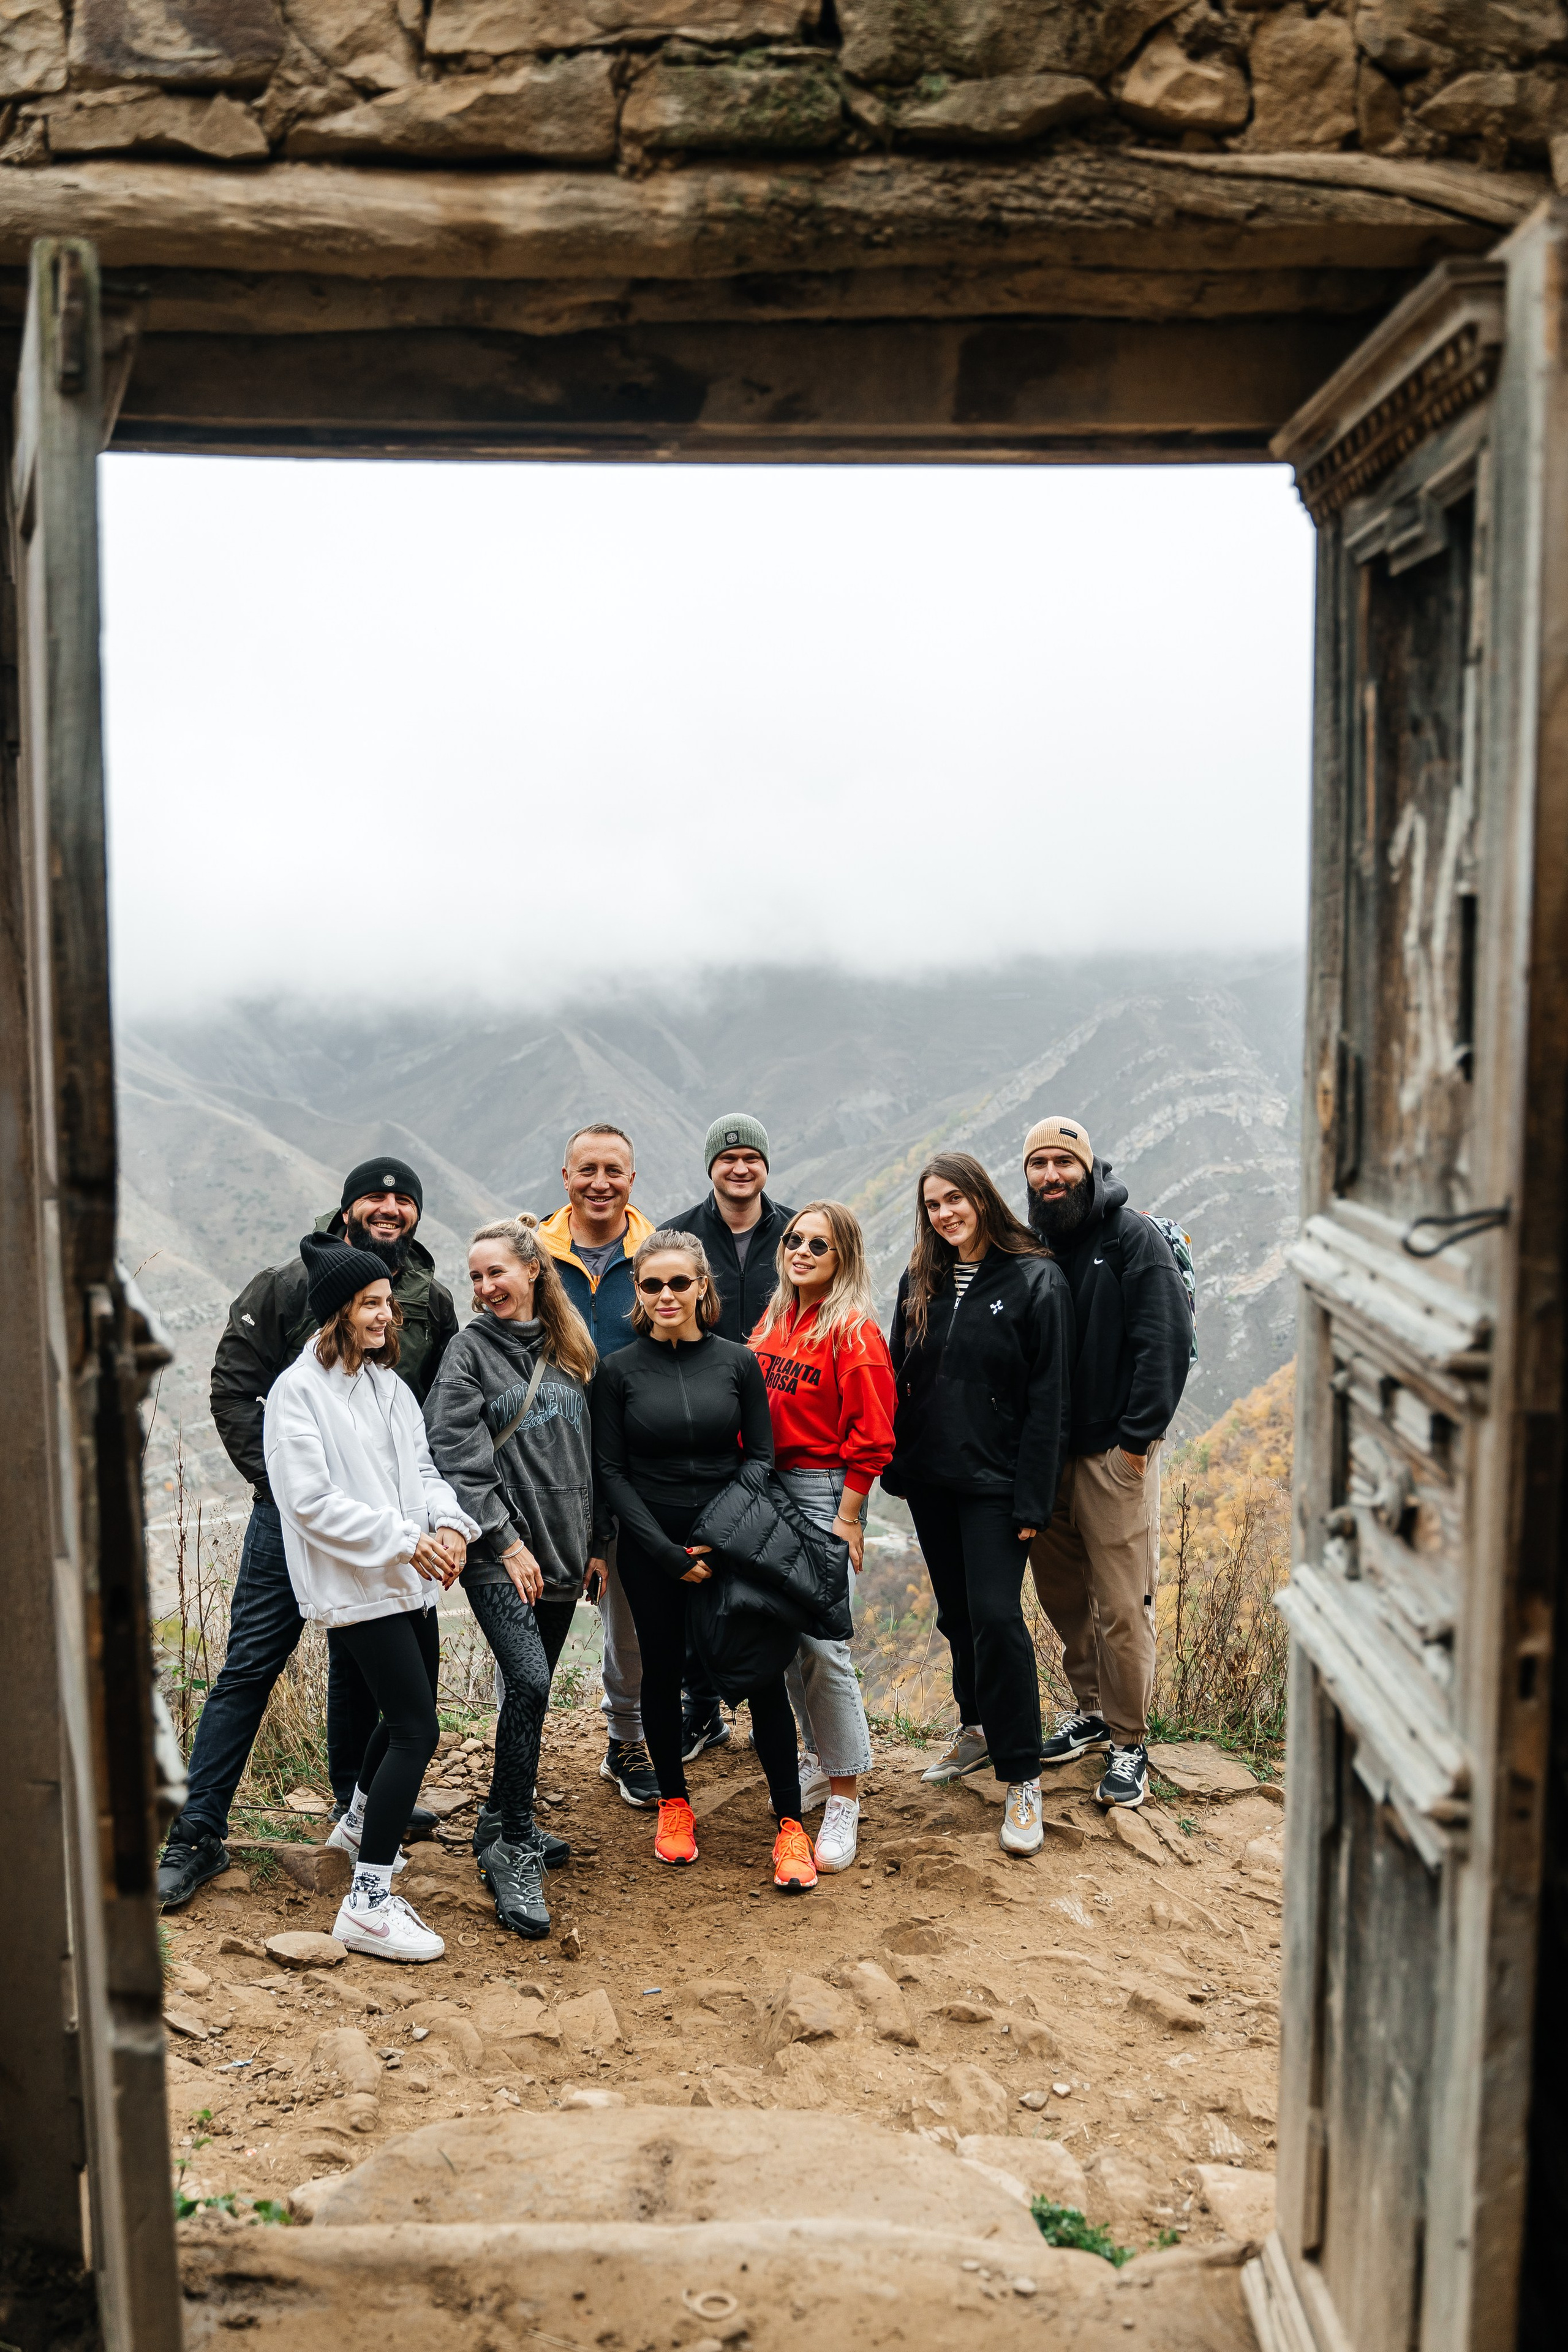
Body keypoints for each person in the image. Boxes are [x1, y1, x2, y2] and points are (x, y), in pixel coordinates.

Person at [158, 1156, 460, 1909]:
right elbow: (233, 1388)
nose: (389, 1206)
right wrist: (281, 1489)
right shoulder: (287, 1284)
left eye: (403, 1198)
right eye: (374, 1195)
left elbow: (433, 1412)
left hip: (388, 1531)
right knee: (251, 1667)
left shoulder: (428, 1297)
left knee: (364, 1674)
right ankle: (196, 1833)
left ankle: (358, 1809)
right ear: (348, 1205)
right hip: (288, 1519)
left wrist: (438, 1518)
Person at [263, 1232, 480, 1964]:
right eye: (373, 1304)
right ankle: (368, 1901)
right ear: (337, 1313)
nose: (390, 1316)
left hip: (408, 1580)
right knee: (418, 1731)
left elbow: (422, 1470)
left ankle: (359, 1824)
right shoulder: (299, 1394)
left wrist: (446, 1525)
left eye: (389, 1302)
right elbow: (309, 1503)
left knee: (406, 1716)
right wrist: (401, 1539)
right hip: (358, 1584)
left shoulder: (388, 1388)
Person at [591, 1226, 818, 1891]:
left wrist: (719, 1538)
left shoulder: (736, 1361)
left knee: (762, 1675)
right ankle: (673, 1804)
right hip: (650, 1546)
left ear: (701, 1289)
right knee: (660, 1674)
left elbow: (759, 1456)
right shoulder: (616, 1372)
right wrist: (662, 1552)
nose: (666, 1295)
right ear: (639, 1291)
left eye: (678, 1283)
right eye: (652, 1284)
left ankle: (789, 1825)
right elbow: (611, 1469)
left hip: (733, 1543)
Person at [883, 1152, 1072, 1857]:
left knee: (996, 1618)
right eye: (933, 1204)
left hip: (997, 1484)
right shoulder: (920, 1278)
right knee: (957, 1614)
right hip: (933, 1478)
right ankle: (976, 1731)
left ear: (983, 1198)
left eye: (956, 1198)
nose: (945, 1213)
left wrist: (1034, 1496)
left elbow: (1049, 1397)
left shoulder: (1035, 1278)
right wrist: (897, 1463)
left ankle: (1022, 1776)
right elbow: (904, 1370)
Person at [423, 1217, 607, 1941]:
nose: (483, 1288)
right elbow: (454, 1454)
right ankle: (511, 1845)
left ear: (534, 1270)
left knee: (529, 1694)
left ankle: (499, 1819)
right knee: (529, 1683)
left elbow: (585, 1459)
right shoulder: (468, 1353)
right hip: (500, 1558)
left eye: (495, 1272)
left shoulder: (569, 1352)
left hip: (563, 1556)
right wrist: (503, 1539)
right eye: (474, 1277)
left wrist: (597, 1541)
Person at [1023, 1116, 1193, 1810]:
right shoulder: (1034, 1242)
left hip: (1111, 1457)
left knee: (1123, 1605)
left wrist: (1134, 1446)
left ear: (1088, 1168)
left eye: (1063, 1162)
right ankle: (1090, 1710)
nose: (1051, 1175)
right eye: (1038, 1164)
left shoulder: (1131, 1239)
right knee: (1064, 1596)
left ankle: (1129, 1743)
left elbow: (1165, 1344)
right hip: (1045, 1456)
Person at [748, 1201, 894, 1874]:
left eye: (819, 1245)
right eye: (794, 1240)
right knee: (783, 1643)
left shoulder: (852, 1333)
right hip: (770, 1488)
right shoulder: (777, 1319)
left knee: (823, 1645)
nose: (801, 1251)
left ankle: (844, 1795)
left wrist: (848, 1518)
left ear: (844, 1259)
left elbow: (873, 1439)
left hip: (821, 1491)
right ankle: (815, 1756)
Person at [666, 1114, 794, 1760]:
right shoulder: (680, 1236)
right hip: (703, 1424)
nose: (739, 1167)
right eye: (728, 1157)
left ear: (765, 1166)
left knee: (770, 1570)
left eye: (751, 1157)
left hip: (783, 1428)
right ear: (711, 1166)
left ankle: (784, 1711)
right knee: (698, 1565)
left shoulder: (797, 1233)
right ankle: (700, 1709)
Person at [538, 1124, 659, 1811]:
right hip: (548, 1467)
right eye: (587, 1169)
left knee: (631, 1622)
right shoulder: (536, 1255)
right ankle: (515, 1749)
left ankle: (626, 1739)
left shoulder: (658, 1254)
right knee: (531, 1618)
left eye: (614, 1169)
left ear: (631, 1180)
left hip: (632, 1466)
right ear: (566, 1176)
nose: (600, 1182)